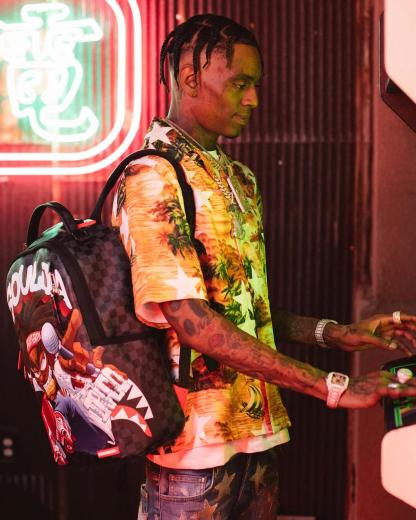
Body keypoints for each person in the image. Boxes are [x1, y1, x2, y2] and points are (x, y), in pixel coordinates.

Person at [112, 13, 416, 519]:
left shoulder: (238, 178)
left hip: (258, 439)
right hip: (192, 456)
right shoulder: (152, 177)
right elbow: (193, 323)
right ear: (190, 79)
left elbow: (243, 312)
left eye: (256, 85)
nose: (253, 99)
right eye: (240, 84)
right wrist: (334, 386)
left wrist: (336, 334)